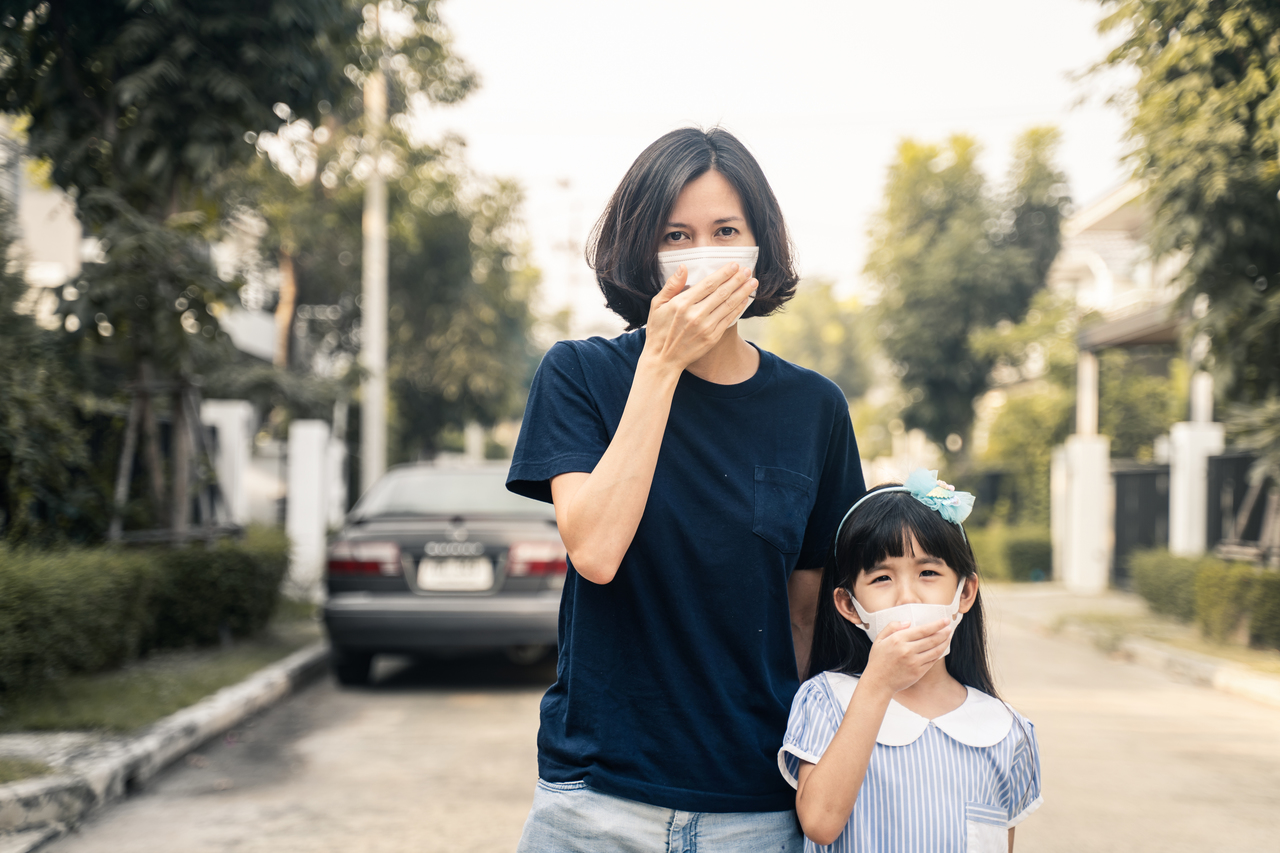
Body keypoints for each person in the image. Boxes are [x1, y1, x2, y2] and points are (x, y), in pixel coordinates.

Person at [506, 127, 866, 851]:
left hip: (756, 808)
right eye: (677, 234)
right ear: (644, 250)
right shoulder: (580, 376)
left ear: (759, 244)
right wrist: (663, 363)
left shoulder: (813, 408)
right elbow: (597, 550)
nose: (705, 251)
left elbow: (807, 616)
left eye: (725, 229)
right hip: (594, 802)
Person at [780, 470, 1043, 852]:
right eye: (882, 578)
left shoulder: (1006, 730)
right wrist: (878, 684)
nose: (907, 596)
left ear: (965, 592)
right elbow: (820, 823)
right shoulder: (826, 701)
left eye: (928, 573)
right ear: (849, 606)